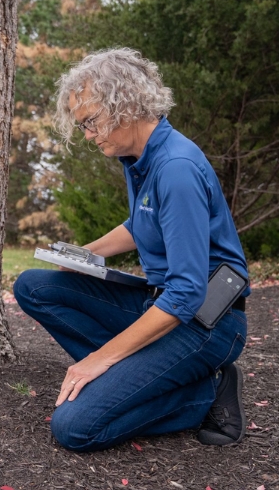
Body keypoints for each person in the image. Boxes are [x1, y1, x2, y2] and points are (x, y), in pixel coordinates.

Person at [14, 48, 250, 452]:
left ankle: (207, 391)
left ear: (123, 104)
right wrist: (82, 255)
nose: (88, 135)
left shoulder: (175, 168)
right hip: (158, 304)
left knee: (75, 427)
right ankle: (137, 380)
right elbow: (141, 224)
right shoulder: (139, 157)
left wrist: (100, 358)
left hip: (206, 324)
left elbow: (185, 294)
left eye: (91, 122)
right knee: (34, 286)